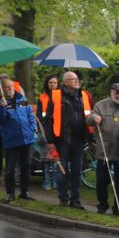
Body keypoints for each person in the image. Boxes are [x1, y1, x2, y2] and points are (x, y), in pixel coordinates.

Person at [44, 71, 93, 210]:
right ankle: (63, 197)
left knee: (77, 170)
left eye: (77, 79)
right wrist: (50, 140)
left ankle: (75, 199)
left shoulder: (83, 95)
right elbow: (48, 119)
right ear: (65, 82)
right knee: (62, 169)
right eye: (73, 79)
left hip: (79, 139)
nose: (76, 81)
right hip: (62, 140)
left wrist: (90, 137)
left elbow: (88, 116)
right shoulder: (56, 95)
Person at [87, 83, 119, 216]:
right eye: (117, 92)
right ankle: (102, 205)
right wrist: (93, 118)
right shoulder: (100, 105)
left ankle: (118, 208)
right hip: (104, 149)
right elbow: (88, 120)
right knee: (101, 181)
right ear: (111, 92)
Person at [0, 78, 36, 203]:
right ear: (2, 89)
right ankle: (10, 194)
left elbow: (30, 115)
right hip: (11, 140)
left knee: (26, 166)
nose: (10, 88)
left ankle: (24, 192)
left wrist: (32, 128)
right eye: (7, 86)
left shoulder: (21, 98)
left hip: (26, 138)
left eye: (11, 86)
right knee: (10, 169)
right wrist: (2, 108)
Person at [0, 73, 24, 178]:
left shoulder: (17, 88)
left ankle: (12, 170)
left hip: (14, 125)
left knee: (11, 149)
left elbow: (23, 102)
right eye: (1, 79)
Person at [37, 75, 59, 189]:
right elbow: (39, 114)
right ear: (47, 84)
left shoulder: (61, 96)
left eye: (55, 82)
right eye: (50, 82)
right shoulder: (42, 97)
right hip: (45, 130)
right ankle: (46, 181)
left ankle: (55, 181)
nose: (52, 84)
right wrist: (42, 126)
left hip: (57, 130)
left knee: (55, 158)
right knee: (45, 157)